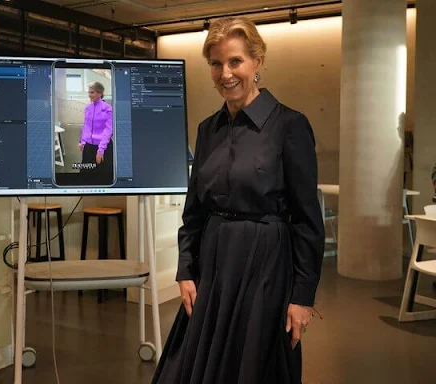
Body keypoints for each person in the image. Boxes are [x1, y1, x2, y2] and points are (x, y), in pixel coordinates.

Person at [152, 17, 325, 384]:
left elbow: (308, 219)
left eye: (235, 62)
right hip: (213, 267)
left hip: (265, 267)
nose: (225, 73)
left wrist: (302, 296)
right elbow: (195, 210)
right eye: (216, 63)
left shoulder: (289, 126)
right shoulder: (207, 130)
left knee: (253, 368)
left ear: (257, 61)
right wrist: (185, 268)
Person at [77, 81, 113, 184]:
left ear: (100, 93)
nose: (89, 95)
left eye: (92, 92)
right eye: (89, 92)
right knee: (86, 176)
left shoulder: (107, 109)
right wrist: (82, 141)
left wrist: (101, 150)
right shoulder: (88, 108)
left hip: (103, 147)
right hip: (89, 147)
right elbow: (86, 126)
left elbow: (108, 130)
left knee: (102, 177)